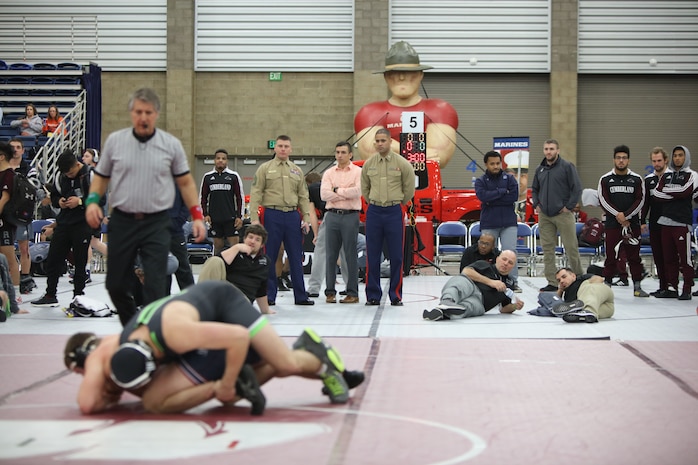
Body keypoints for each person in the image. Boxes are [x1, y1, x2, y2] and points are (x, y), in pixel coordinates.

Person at [110, 281, 355, 408]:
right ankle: (320, 365)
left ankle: (318, 357)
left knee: (285, 363)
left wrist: (226, 384)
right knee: (232, 396)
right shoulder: (124, 341)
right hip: (202, 320)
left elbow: (237, 337)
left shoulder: (177, 335)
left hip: (225, 303)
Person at [84, 88, 207, 327]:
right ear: (131, 113)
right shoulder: (115, 142)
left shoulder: (170, 145)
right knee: (116, 283)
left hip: (155, 221)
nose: (143, 117)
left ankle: (153, 333)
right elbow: (100, 177)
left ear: (156, 114)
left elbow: (185, 183)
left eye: (148, 112)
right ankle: (134, 327)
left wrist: (198, 216)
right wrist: (91, 202)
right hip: (123, 219)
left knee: (156, 282)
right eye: (138, 112)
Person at [353, 41, 458, 167]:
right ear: (386, 77)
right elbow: (371, 155)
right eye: (395, 73)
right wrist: (419, 153)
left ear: (420, 75)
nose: (401, 77)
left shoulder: (440, 109)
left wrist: (392, 146)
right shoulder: (369, 112)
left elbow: (439, 157)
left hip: (426, 185)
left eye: (408, 72)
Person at [248, 135, 314, 306]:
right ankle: (269, 295)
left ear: (291, 149)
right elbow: (256, 192)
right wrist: (254, 218)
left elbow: (303, 196)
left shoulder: (297, 171)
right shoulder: (265, 168)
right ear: (275, 148)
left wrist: (306, 218)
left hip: (293, 216)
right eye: (280, 146)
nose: (283, 149)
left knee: (295, 256)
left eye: (286, 146)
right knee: (269, 256)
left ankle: (301, 295)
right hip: (272, 215)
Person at [31, 150, 102, 306]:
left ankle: (78, 296)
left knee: (80, 261)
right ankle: (50, 294)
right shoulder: (60, 176)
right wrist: (59, 202)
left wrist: (81, 201)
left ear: (78, 164)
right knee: (54, 259)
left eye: (71, 173)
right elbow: (54, 196)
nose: (69, 176)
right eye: (66, 174)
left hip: (83, 223)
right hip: (64, 223)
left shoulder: (91, 175)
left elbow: (101, 199)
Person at [361, 128, 416, 306]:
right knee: (373, 255)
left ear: (390, 142)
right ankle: (373, 295)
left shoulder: (403, 164)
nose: (379, 144)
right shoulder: (369, 164)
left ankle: (395, 295)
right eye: (377, 141)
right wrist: (373, 202)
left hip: (394, 212)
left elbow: (409, 190)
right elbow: (365, 188)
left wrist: (397, 203)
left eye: (383, 140)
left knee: (396, 256)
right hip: (375, 212)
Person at [531, 139, 583, 291]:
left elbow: (577, 189)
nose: (549, 151)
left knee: (571, 247)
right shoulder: (540, 169)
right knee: (547, 249)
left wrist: (569, 207)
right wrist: (536, 204)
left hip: (563, 215)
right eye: (546, 149)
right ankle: (553, 283)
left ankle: (578, 278)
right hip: (545, 215)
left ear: (558, 150)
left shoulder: (567, 167)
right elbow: (534, 189)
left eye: (552, 149)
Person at [597, 145, 649, 297]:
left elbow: (641, 200)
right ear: (614, 160)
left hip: (632, 225)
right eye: (618, 158)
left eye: (624, 158)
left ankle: (637, 287)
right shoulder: (605, 179)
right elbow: (603, 200)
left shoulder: (637, 179)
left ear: (628, 160)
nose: (621, 161)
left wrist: (627, 216)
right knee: (611, 256)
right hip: (613, 224)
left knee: (634, 257)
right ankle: (607, 286)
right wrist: (618, 216)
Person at [422, 250, 524, 320]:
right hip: (471, 285)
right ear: (497, 259)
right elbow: (466, 271)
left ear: (513, 266)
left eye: (510, 262)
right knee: (458, 284)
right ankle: (447, 301)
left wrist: (515, 306)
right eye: (504, 259)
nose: (506, 263)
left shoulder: (510, 283)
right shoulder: (484, 265)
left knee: (467, 308)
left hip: (481, 303)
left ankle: (442, 313)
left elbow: (503, 308)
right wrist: (491, 282)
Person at [198, 223, 275, 315]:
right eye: (250, 237)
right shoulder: (233, 252)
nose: (253, 241)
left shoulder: (265, 261)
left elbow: (261, 289)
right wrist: (236, 248)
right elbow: (216, 264)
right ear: (244, 239)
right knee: (214, 261)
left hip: (242, 299)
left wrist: (265, 310)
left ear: (262, 245)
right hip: (224, 291)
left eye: (257, 240)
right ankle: (199, 302)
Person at [653, 145, 697, 300]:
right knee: (668, 258)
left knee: (685, 259)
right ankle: (672, 288)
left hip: (682, 224)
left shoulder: (692, 175)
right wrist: (677, 194)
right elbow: (656, 194)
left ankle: (687, 288)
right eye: (675, 155)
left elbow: (686, 191)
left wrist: (669, 191)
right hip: (665, 222)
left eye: (680, 155)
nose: (677, 158)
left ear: (686, 157)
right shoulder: (666, 175)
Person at [321, 141, 362, 304]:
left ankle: (352, 292)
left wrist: (336, 190)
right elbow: (324, 195)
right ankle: (330, 292)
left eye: (343, 152)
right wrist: (346, 193)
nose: (340, 155)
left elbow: (358, 191)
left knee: (350, 255)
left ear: (350, 154)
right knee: (330, 255)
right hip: (332, 216)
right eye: (337, 152)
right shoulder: (329, 173)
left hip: (351, 216)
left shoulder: (358, 172)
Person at [474, 150, 521, 292]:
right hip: (489, 222)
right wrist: (501, 192)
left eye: (498, 163)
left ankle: (512, 282)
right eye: (492, 164)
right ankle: (487, 281)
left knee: (510, 252)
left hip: (508, 222)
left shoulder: (510, 179)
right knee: (486, 252)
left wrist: (492, 198)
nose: (495, 166)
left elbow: (513, 197)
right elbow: (483, 197)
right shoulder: (481, 181)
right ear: (486, 164)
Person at [8, 137, 42, 293]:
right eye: (12, 147)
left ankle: (25, 278)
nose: (15, 149)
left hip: (22, 213)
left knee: (24, 248)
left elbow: (35, 188)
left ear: (23, 150)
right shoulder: (3, 168)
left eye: (18, 147)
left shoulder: (30, 170)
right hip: (5, 212)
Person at [200, 149, 244, 254]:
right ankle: (218, 268)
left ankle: (235, 269)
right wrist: (204, 214)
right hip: (214, 219)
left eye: (223, 159)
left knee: (235, 246)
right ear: (214, 160)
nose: (221, 161)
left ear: (227, 161)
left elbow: (239, 197)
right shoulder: (207, 177)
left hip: (231, 219)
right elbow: (202, 198)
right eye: (218, 158)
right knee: (218, 246)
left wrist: (239, 216)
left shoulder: (234, 176)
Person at [640, 148, 670, 296]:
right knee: (658, 255)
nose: (657, 163)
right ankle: (662, 286)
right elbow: (646, 203)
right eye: (654, 161)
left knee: (669, 256)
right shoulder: (649, 180)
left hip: (671, 224)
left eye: (659, 160)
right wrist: (643, 221)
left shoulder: (673, 178)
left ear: (665, 160)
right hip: (655, 224)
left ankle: (672, 286)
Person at [166, 183, 195, 293]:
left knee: (183, 269)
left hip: (176, 233)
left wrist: (176, 222)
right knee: (162, 271)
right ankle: (162, 303)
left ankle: (192, 300)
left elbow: (188, 204)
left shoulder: (180, 182)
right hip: (157, 234)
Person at [0, 142, 20, 295]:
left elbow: (4, 199)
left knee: (9, 259)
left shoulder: (9, 175)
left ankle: (15, 296)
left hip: (5, 223)